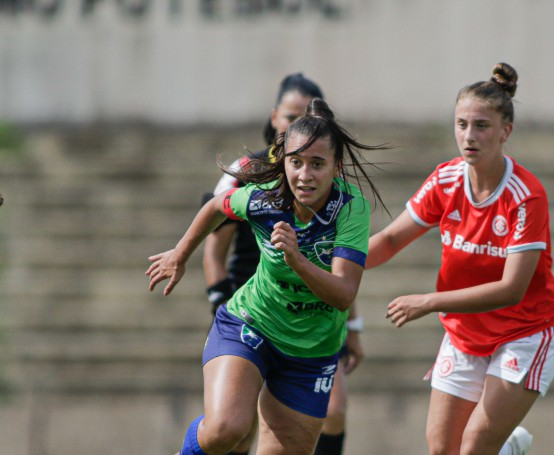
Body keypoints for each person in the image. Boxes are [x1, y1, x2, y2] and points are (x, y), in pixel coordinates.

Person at [147, 98, 386, 455]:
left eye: (317, 164)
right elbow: (215, 206)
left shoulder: (351, 208)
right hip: (251, 324)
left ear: (336, 167)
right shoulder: (265, 199)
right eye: (296, 163)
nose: (304, 175)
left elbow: (344, 293)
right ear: (284, 161)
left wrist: (298, 260)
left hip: (312, 351)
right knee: (226, 429)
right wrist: (180, 254)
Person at [366, 62, 554, 455]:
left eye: (481, 126)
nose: (468, 136)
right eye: (461, 124)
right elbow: (389, 240)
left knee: (474, 446)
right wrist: (326, 265)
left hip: (525, 332)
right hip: (465, 333)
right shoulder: (445, 179)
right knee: (443, 448)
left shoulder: (526, 195)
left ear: (505, 131)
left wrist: (428, 301)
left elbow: (511, 290)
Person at [201, 73, 363, 455]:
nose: (298, 129)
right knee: (232, 430)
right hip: (254, 310)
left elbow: (342, 271)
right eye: (290, 119)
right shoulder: (248, 173)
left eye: (306, 119)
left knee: (333, 411)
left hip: (312, 322)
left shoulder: (343, 198)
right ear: (275, 118)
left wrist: (353, 327)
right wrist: (217, 300)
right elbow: (214, 246)